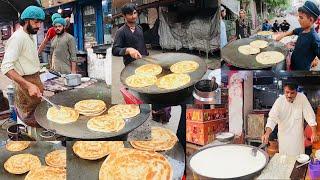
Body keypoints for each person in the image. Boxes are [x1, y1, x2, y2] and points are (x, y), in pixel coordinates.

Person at [0, 6, 45, 127]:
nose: (39, 26)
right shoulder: (18, 38)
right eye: (36, 22)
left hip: (32, 81)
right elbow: (6, 68)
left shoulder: (29, 36)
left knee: (37, 115)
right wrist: (29, 85)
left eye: (40, 22)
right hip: (25, 85)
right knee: (30, 118)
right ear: (26, 20)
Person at [261, 83, 319, 156]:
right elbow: (272, 118)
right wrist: (267, 133)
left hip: (297, 138)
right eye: (287, 92)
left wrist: (314, 132)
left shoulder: (302, 98)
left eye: (292, 93)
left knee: (298, 159)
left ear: (296, 92)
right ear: (284, 91)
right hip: (284, 138)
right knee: (285, 159)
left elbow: (309, 115)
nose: (289, 95)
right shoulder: (279, 101)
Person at [275, 1, 320, 70]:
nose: (298, 20)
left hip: (301, 71)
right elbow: (293, 31)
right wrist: (282, 35)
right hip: (293, 64)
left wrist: (315, 59)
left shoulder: (314, 38)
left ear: (311, 20)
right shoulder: (302, 29)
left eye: (301, 17)